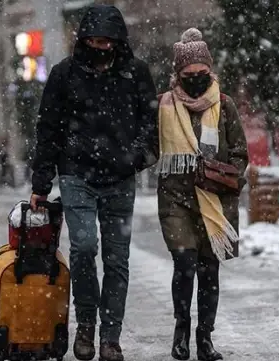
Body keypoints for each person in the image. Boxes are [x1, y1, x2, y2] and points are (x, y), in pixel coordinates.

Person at [29, 5, 158, 361]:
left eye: (106, 41)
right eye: (93, 40)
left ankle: (110, 337)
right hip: (76, 176)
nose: (100, 47)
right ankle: (85, 324)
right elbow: (48, 129)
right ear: (83, 39)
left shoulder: (136, 74)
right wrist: (41, 183)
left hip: (120, 178)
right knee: (84, 247)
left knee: (117, 259)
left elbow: (151, 125)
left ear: (118, 42)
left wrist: (133, 158)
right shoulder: (64, 75)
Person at [156, 28, 249, 361]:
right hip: (175, 199)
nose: (195, 79)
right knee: (184, 264)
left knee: (209, 270)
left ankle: (204, 338)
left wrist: (224, 175)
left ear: (210, 71)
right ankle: (181, 332)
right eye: (188, 74)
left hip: (215, 200)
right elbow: (152, 148)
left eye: (201, 73)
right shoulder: (164, 106)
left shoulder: (224, 105)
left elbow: (240, 152)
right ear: (177, 75)